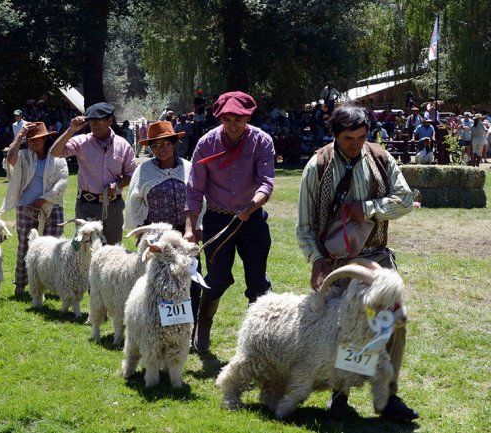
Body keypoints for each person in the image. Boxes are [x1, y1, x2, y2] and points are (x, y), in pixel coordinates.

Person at [296, 104, 417, 421]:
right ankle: (340, 396)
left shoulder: (380, 157)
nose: (356, 144)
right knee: (346, 327)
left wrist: (368, 208)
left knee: (393, 325)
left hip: (377, 261)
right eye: (349, 138)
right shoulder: (317, 167)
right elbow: (305, 228)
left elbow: (405, 201)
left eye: (362, 136)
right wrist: (318, 260)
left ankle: (388, 397)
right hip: (338, 263)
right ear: (335, 135)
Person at [184, 91, 275, 355]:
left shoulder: (262, 141)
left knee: (258, 282)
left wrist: (252, 206)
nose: (234, 124)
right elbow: (194, 189)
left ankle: (258, 340)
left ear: (248, 117)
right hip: (217, 219)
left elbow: (266, 181)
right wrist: (190, 228)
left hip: (252, 218)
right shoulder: (205, 143)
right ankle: (203, 325)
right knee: (217, 279)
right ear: (220, 117)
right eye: (228, 118)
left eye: (239, 118)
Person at [125, 120, 204, 325]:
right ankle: (155, 327)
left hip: (185, 237)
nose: (161, 149)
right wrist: (141, 232)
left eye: (165, 144)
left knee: (190, 282)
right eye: (156, 145)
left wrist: (197, 228)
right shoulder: (143, 171)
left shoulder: (188, 168)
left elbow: (199, 199)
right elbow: (134, 202)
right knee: (157, 284)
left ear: (173, 143)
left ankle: (189, 329)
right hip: (158, 239)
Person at [50, 102, 136, 245]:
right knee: (85, 251)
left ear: (110, 120)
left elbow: (131, 174)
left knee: (112, 252)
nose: (94, 125)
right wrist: (71, 130)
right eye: (91, 122)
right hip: (87, 206)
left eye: (98, 121)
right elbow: (55, 152)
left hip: (113, 207)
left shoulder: (123, 145)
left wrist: (119, 184)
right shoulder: (81, 141)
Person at [2, 122, 68, 296]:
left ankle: (53, 286)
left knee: (54, 246)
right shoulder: (23, 155)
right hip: (26, 207)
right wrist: (20, 135)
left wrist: (44, 199)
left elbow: (62, 181)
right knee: (25, 245)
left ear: (46, 139)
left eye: (38, 139)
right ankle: (21, 283)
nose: (34, 142)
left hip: (52, 206)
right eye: (30, 139)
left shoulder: (57, 157)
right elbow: (10, 159)